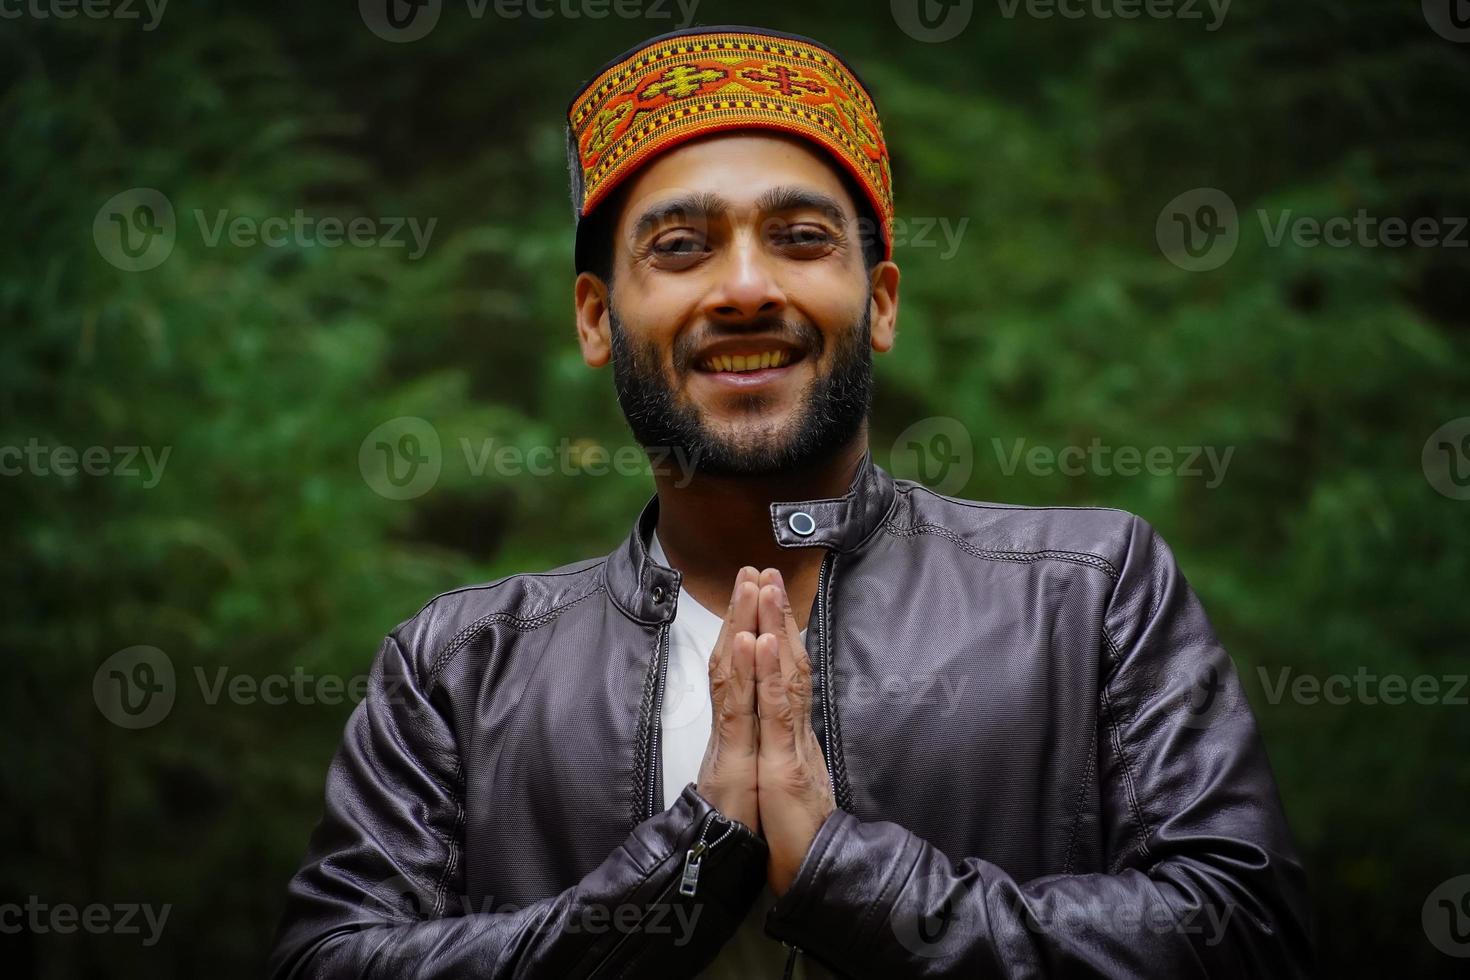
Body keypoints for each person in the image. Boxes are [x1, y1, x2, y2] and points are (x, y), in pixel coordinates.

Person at [270, 25, 1312, 978]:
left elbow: (1246, 934)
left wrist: (841, 866)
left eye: (802, 238)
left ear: (883, 301)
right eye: (680, 247)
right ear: (596, 319)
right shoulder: (457, 668)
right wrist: (690, 860)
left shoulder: (1085, 598)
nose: (745, 287)